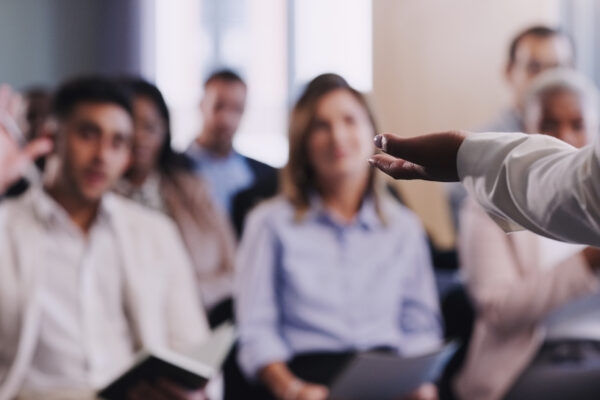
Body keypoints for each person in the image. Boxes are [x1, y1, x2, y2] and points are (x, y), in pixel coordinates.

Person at [0, 77, 210, 400]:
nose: (102, 155)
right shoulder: (6, 225)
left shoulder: (154, 232)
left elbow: (191, 345)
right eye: (88, 134)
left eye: (118, 143)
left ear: (128, 157)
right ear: (51, 137)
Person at [235, 74, 442, 400]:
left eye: (349, 120)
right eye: (321, 125)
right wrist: (290, 389)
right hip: (308, 380)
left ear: (372, 131)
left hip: (387, 378)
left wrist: (420, 383)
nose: (338, 136)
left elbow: (420, 326)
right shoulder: (268, 223)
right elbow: (256, 331)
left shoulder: (404, 227)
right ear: (303, 140)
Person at [454, 69, 600, 400]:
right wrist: (587, 262)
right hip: (527, 361)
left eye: (578, 125)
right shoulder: (489, 205)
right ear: (525, 130)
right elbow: (499, 311)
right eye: (549, 124)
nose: (565, 137)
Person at [116, 78, 236, 326]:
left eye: (150, 127)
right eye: (129, 127)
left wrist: (184, 298)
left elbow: (235, 271)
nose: (140, 138)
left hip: (203, 320)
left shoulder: (193, 189)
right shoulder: (99, 201)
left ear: (165, 130)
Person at [447, 25, 574, 227]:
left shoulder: (589, 143)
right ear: (509, 72)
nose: (548, 79)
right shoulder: (475, 149)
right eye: (534, 68)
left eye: (558, 68)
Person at [186, 69, 278, 236]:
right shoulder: (174, 169)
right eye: (218, 106)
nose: (226, 119)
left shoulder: (264, 175)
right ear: (201, 105)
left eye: (236, 109)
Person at [0, 85, 52, 196]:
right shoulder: (8, 171)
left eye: (46, 116)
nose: (40, 124)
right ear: (16, 122)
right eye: (31, 117)